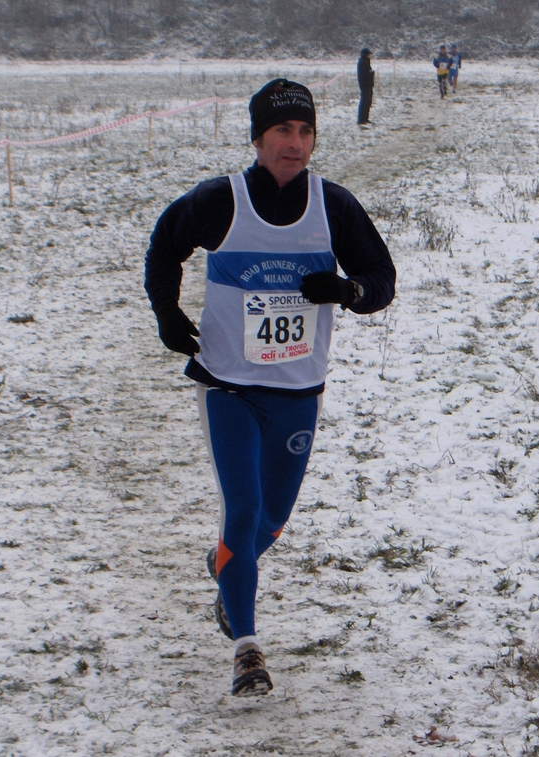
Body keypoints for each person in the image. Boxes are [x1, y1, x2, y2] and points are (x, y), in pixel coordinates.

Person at [144, 78, 396, 698]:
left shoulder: (332, 206)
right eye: (283, 130)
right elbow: (162, 248)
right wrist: (168, 315)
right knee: (245, 509)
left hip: (298, 390)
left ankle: (228, 567)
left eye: (306, 131)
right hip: (228, 385)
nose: (296, 143)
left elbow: (381, 279)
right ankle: (246, 648)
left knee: (273, 522)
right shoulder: (218, 201)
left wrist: (347, 291)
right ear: (257, 138)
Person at [356, 47, 374, 125]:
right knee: (364, 102)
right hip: (365, 85)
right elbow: (364, 74)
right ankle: (362, 119)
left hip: (367, 85)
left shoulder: (365, 61)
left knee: (367, 102)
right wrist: (371, 74)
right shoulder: (363, 62)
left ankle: (365, 118)